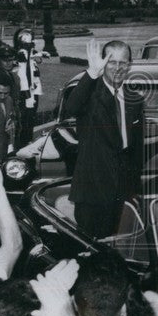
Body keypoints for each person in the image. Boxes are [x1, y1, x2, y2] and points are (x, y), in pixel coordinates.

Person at [64, 39, 145, 240]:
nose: (118, 68)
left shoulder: (135, 98)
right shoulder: (91, 94)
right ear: (103, 63)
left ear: (130, 64)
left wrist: (135, 190)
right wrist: (91, 73)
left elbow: (136, 149)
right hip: (93, 193)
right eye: (112, 62)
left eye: (123, 62)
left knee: (121, 248)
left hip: (123, 191)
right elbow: (71, 107)